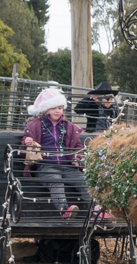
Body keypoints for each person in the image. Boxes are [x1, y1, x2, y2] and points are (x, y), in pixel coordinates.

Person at [22, 86, 88, 215]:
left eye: (60, 108)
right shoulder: (35, 125)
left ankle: (96, 210)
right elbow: (26, 140)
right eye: (53, 108)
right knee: (56, 181)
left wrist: (77, 159)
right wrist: (27, 142)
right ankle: (64, 210)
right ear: (45, 109)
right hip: (45, 166)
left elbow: (78, 147)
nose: (57, 111)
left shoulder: (68, 127)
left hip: (67, 166)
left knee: (83, 181)